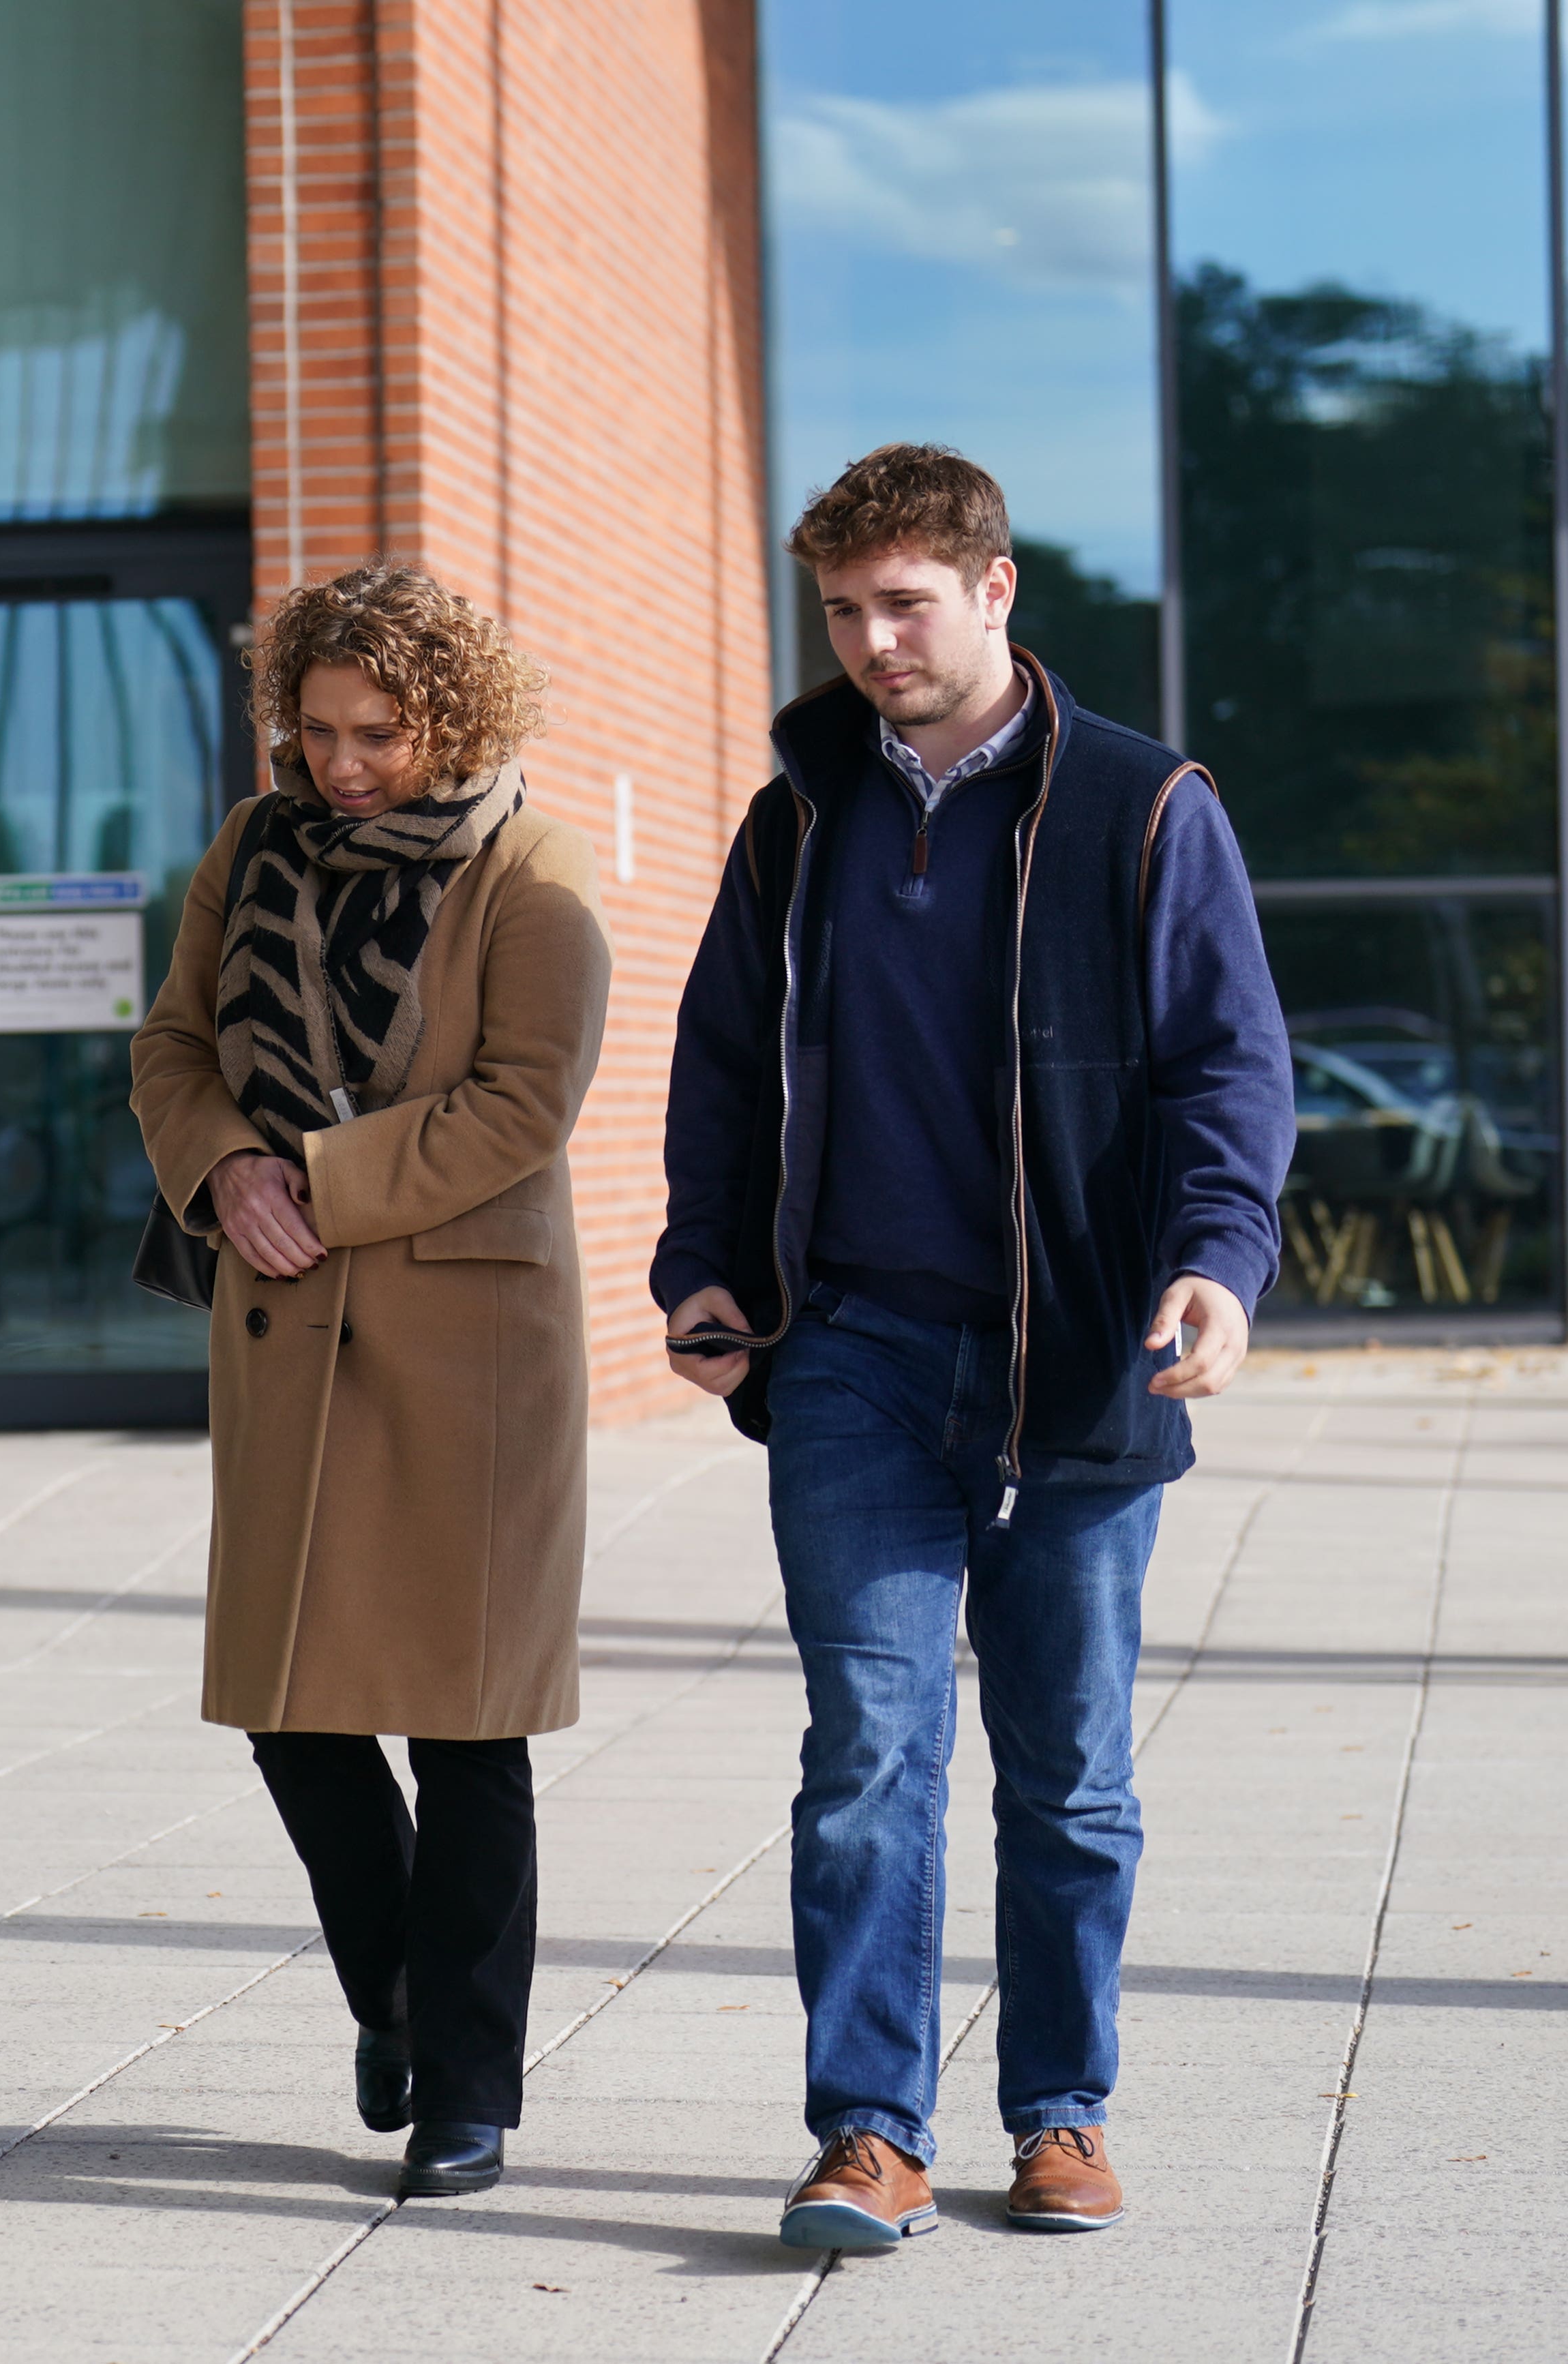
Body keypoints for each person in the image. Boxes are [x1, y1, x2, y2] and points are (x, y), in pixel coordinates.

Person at [656, 443, 1293, 2249]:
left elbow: (1228, 1071)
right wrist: (704, 1268)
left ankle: (1061, 2109)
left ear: (997, 589)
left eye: (904, 605)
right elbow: (719, 1066)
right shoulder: (798, 819)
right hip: (854, 1351)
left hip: (1083, 1361)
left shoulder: (1145, 806)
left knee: (1070, 1768)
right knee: (867, 1746)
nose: (869, 643)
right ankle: (872, 2125)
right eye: (844, 610)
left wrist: (1218, 1266)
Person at [130, 562, 609, 2200]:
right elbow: (172, 1047)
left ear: (449, 716)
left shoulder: (532, 871)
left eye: (377, 732)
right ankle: (395, 1996)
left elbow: (518, 1106)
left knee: (467, 1734)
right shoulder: (247, 852)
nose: (339, 763)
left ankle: (467, 2088)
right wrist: (223, 1176)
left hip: (466, 1352)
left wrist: (309, 1180)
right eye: (316, 728)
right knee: (286, 1708)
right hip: (280, 1330)